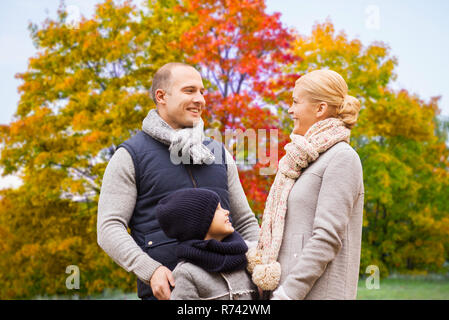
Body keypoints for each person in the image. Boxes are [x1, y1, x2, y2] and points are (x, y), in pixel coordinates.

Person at [97, 62, 260, 300]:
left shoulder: (219, 153)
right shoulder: (130, 156)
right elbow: (109, 227)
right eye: (190, 90)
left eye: (202, 92)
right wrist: (150, 270)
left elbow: (245, 222)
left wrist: (259, 267)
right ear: (161, 96)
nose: (200, 99)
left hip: (235, 294)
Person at [246, 69, 364, 300]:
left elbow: (327, 237)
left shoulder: (342, 158)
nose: (290, 110)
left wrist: (288, 294)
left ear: (320, 109)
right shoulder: (302, 160)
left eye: (296, 102)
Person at [155, 188, 258, 300]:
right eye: (217, 209)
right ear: (198, 224)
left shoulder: (246, 256)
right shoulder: (186, 274)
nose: (226, 211)